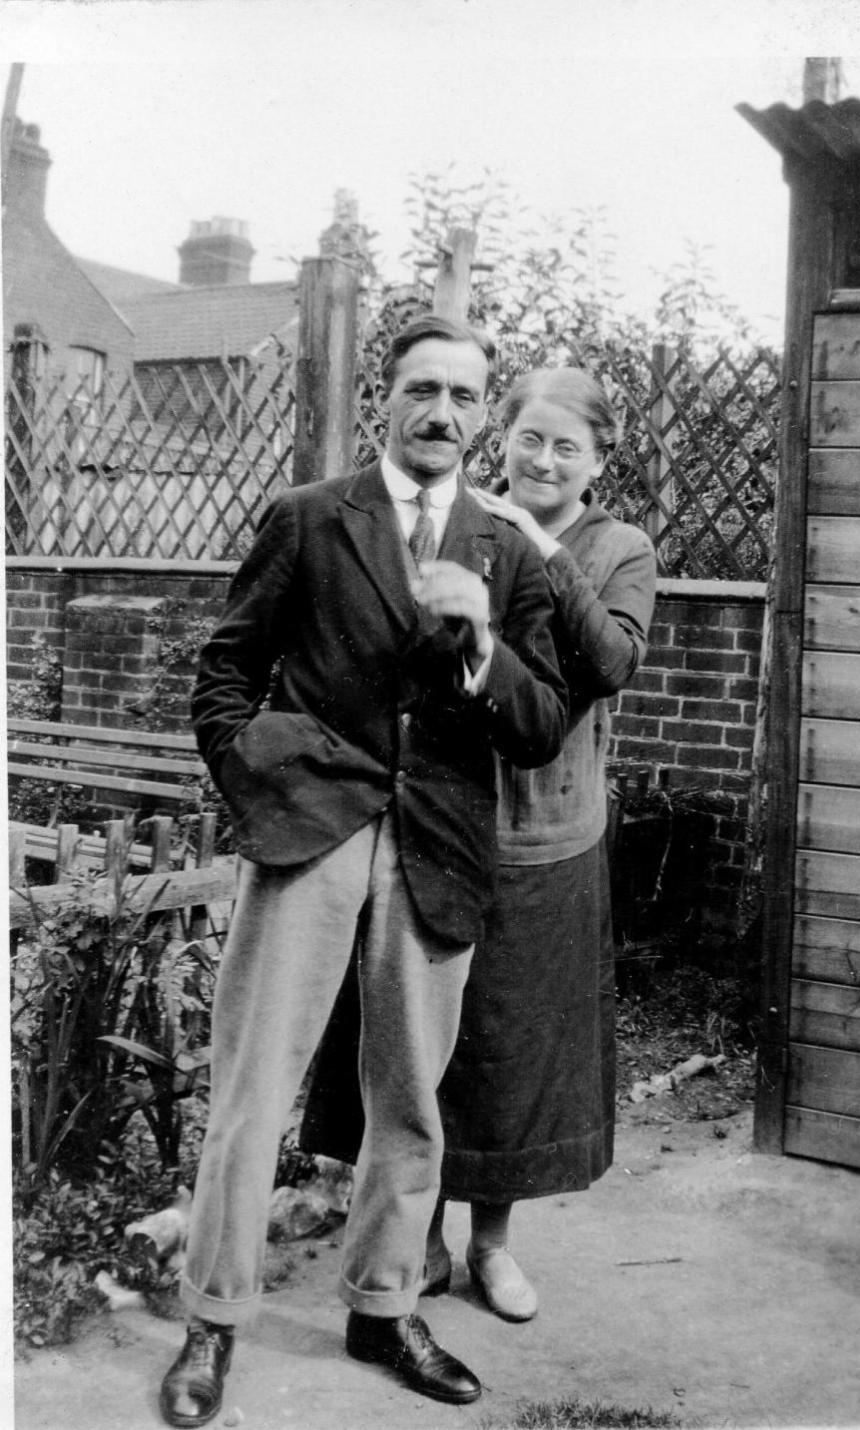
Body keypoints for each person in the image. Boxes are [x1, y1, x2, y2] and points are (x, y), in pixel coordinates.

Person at [158, 316, 568, 1427]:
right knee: (252, 1088)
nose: (443, 412)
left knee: (412, 1097)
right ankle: (214, 1316)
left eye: (465, 397)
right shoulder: (308, 517)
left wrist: (483, 640)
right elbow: (226, 665)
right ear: (384, 400)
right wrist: (254, 776)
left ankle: (384, 1305)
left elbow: (537, 724)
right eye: (422, 389)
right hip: (313, 826)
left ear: (486, 417)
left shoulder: (508, 548)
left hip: (436, 839)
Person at [300, 365, 656, 1323]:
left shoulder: (619, 546)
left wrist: (538, 543)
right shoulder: (462, 524)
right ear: (502, 438)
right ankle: (416, 1242)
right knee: (422, 1048)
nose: (542, 460)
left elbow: (612, 659)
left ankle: (492, 1245)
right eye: (528, 439)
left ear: (598, 460)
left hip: (547, 837)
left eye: (565, 447)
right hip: (437, 824)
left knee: (512, 1057)